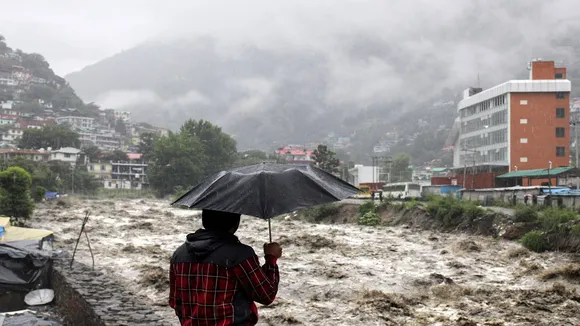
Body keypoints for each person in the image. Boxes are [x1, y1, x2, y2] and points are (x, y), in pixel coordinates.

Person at [169, 209, 282, 326]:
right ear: (235, 223)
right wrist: (271, 259)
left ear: (204, 219)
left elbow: (175, 302)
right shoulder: (240, 255)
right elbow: (266, 295)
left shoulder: (179, 254)